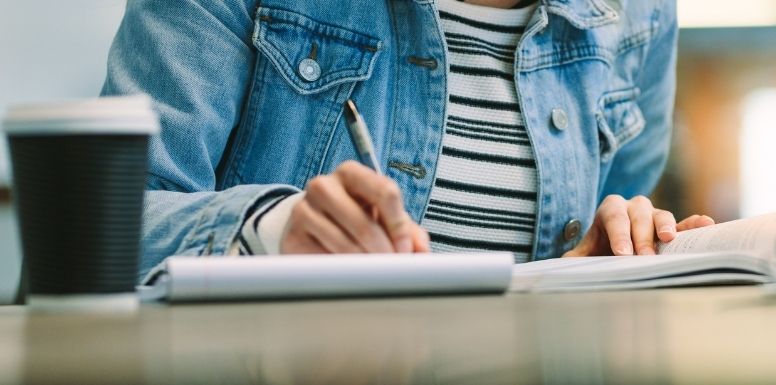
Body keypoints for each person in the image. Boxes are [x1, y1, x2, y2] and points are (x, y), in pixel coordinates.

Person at [101, 0, 713, 278]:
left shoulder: (640, 15)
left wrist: (603, 270)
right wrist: (269, 229)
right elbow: (99, 231)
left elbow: (622, 215)